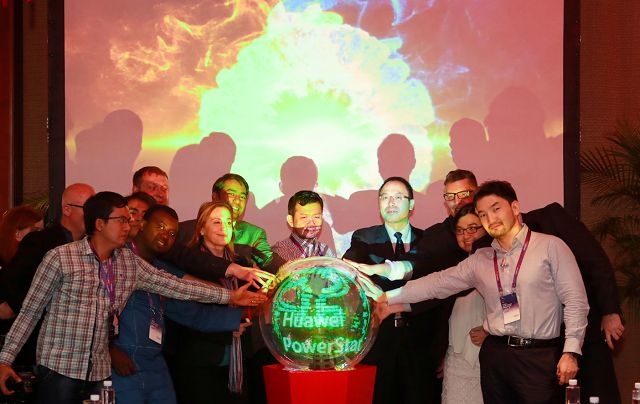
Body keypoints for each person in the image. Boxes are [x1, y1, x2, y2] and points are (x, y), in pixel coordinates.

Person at [0, 192, 266, 402]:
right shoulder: (60, 257)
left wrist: (230, 296)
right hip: (59, 368)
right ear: (99, 224)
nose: (129, 226)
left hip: (99, 373)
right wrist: (4, 360)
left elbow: (176, 286)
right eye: (122, 220)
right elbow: (30, 312)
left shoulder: (128, 262)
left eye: (129, 220)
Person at [376, 181, 589, 404]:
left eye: (496, 209)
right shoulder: (482, 259)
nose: (491, 219)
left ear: (515, 208)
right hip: (494, 355)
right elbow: (437, 283)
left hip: (538, 356)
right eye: (483, 214)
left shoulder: (550, 247)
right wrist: (388, 297)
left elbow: (576, 301)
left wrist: (571, 352)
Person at [110, 204, 251, 404]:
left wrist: (252, 310)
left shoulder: (163, 268)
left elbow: (192, 313)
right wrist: (109, 350)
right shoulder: (116, 259)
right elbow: (92, 311)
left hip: (155, 363)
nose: (165, 235)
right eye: (160, 227)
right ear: (142, 224)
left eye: (172, 233)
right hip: (123, 364)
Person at [342, 176, 436, 404]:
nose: (390, 203)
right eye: (385, 197)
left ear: (411, 204)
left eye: (398, 197)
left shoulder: (428, 240)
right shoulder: (364, 237)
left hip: (420, 340)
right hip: (379, 340)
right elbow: (352, 261)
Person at [171, 201, 253, 404]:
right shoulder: (188, 263)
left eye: (228, 222)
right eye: (216, 222)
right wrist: (226, 329)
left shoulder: (242, 264)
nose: (224, 227)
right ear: (201, 229)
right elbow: (184, 316)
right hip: (199, 364)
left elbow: (250, 305)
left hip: (238, 361)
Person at [177, 173, 286, 272]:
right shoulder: (183, 230)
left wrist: (289, 268)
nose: (237, 201)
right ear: (215, 197)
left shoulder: (253, 234)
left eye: (242, 197)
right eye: (231, 194)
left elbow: (268, 259)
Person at [441, 204, 487, 404]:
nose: (466, 235)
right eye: (460, 230)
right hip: (456, 358)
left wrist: (491, 330)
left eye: (472, 228)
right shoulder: (455, 265)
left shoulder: (501, 260)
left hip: (489, 357)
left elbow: (514, 306)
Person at [271, 190, 336, 261]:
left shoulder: (327, 251)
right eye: (304, 217)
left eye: (316, 217)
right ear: (291, 220)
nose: (311, 223)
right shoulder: (280, 251)